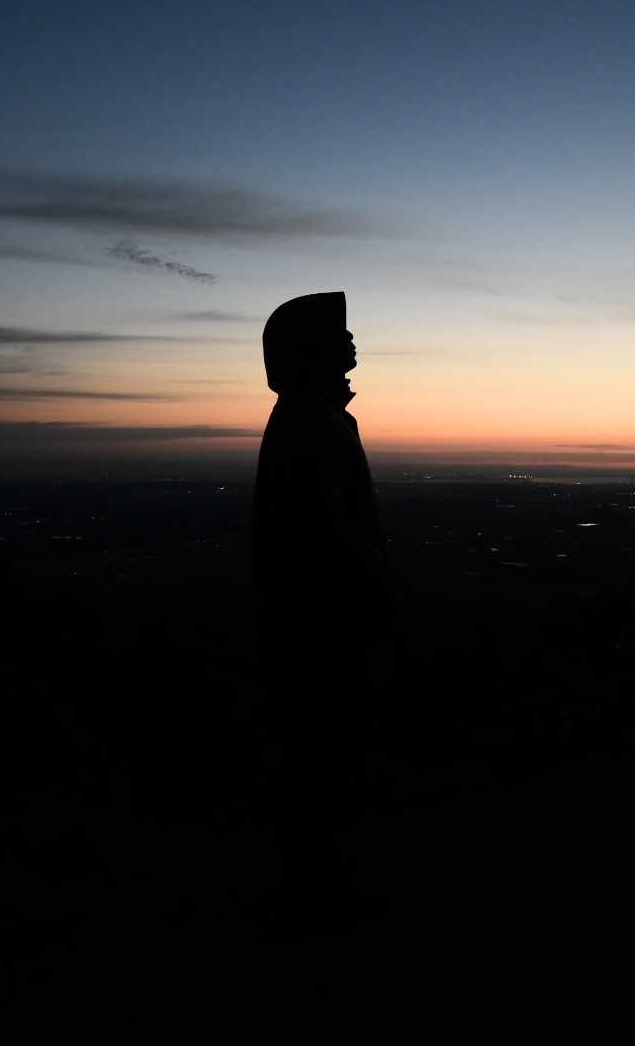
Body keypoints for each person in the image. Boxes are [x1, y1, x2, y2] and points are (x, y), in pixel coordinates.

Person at [250, 291, 387, 915]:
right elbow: (324, 531)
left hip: (322, 621)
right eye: (341, 340)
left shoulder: (315, 419)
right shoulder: (308, 423)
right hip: (319, 627)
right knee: (320, 758)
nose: (354, 350)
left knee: (324, 759)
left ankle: (320, 880)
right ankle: (318, 891)